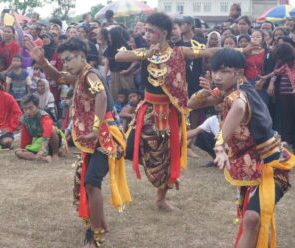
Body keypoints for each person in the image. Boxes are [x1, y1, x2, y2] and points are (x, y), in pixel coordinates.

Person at [115, 13, 235, 211]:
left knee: (170, 156)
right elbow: (119, 56)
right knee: (134, 150)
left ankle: (161, 199)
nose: (146, 34)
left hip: (171, 112)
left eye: (151, 31)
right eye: (145, 31)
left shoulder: (179, 52)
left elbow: (207, 52)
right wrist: (146, 54)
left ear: (163, 33)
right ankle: (159, 176)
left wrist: (239, 50)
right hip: (148, 111)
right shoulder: (145, 52)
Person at [26, 37, 131, 248]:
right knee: (89, 182)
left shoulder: (91, 75)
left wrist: (94, 128)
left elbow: (100, 96)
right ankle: (101, 223)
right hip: (95, 138)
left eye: (68, 59)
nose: (65, 64)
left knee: (92, 182)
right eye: (63, 60)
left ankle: (96, 234)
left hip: (104, 137)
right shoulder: (81, 75)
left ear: (82, 56)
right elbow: (60, 77)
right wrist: (43, 62)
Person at [188, 48, 295, 248]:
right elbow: (190, 103)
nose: (218, 77)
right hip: (249, 166)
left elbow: (238, 106)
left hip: (272, 165)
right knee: (252, 219)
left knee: (252, 218)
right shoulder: (225, 90)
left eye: (224, 71)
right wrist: (205, 93)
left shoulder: (239, 94)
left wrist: (219, 143)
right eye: (214, 71)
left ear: (238, 72)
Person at [15, 94, 66, 162]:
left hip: (52, 143)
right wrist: (24, 149)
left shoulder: (43, 116)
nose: (27, 111)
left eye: (30, 108)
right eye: (25, 109)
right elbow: (25, 138)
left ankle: (55, 154)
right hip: (38, 143)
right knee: (18, 152)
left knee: (52, 131)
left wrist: (43, 149)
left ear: (37, 106)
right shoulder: (25, 118)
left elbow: (47, 132)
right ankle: (41, 158)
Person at [104, 26, 135, 99]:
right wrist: (104, 76)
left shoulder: (126, 47)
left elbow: (135, 60)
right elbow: (107, 63)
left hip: (125, 75)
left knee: (129, 95)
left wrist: (128, 70)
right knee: (116, 96)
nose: (109, 38)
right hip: (114, 75)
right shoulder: (109, 48)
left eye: (110, 37)